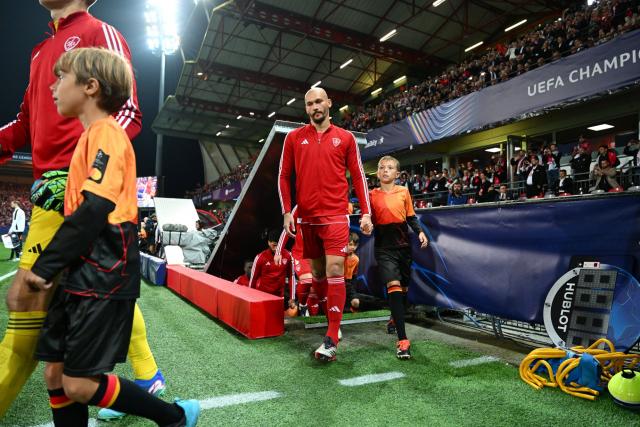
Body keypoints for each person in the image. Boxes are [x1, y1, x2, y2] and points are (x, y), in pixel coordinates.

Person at [0, 0, 165, 419]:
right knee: (88, 295)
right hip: (50, 194)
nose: (58, 87)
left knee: (26, 317)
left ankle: (155, 397)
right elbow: (24, 123)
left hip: (79, 196)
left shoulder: (99, 32)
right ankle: (147, 379)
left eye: (64, 81)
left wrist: (82, 171)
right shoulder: (41, 52)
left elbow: (125, 111)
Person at [23, 47, 199, 427]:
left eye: (61, 77)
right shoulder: (89, 138)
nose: (52, 86)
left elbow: (94, 210)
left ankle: (174, 417)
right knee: (55, 376)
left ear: (90, 86)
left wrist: (42, 268)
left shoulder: (107, 134)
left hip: (102, 272)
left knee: (79, 384)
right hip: (78, 271)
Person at [278, 87, 373, 362]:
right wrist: (287, 212)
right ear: (306, 109)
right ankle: (329, 313)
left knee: (334, 269)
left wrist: (365, 212)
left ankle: (331, 336)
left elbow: (358, 176)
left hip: (335, 217)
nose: (315, 107)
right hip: (307, 219)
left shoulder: (345, 138)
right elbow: (283, 176)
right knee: (318, 274)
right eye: (309, 104)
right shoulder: (294, 138)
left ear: (329, 103)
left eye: (319, 101)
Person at [370, 156, 429, 359]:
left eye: (390, 168)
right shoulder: (370, 195)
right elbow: (366, 219)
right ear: (377, 173)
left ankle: (395, 318)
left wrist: (420, 231)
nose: (385, 170)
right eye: (381, 168)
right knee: (393, 286)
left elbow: (411, 215)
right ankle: (403, 340)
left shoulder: (404, 192)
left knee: (403, 289)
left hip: (403, 247)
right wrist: (366, 224)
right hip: (383, 249)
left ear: (397, 174)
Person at [274, 205, 313, 316]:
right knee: (307, 280)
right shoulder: (300, 205)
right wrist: (278, 251)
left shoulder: (327, 202)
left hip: (319, 253)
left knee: (321, 287)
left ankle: (331, 323)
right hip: (301, 253)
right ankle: (303, 305)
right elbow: (288, 229)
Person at [249, 230, 294, 306]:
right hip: (262, 295)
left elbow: (291, 276)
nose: (276, 248)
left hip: (279, 296)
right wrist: (249, 296)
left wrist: (292, 297)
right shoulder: (260, 257)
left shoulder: (288, 255)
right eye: (274, 245)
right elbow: (253, 278)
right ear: (269, 242)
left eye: (278, 245)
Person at [344, 232, 360, 312]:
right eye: (350, 244)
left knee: (356, 302)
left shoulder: (356, 259)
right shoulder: (340, 257)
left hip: (349, 284)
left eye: (355, 245)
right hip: (339, 283)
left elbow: (354, 275)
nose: (353, 247)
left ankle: (353, 312)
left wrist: (353, 289)